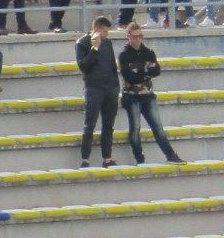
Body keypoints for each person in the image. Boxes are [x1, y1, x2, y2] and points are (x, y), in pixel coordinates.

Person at [118, 22, 183, 165]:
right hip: (131, 97)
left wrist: (140, 71)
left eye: (139, 36)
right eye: (134, 37)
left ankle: (171, 156)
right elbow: (130, 77)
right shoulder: (123, 55)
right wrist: (146, 71)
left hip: (147, 95)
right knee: (135, 129)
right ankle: (140, 160)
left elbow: (157, 71)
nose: (137, 39)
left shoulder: (148, 52)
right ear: (128, 37)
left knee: (158, 127)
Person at [75, 16, 120, 169]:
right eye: (105, 31)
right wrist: (94, 49)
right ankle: (85, 159)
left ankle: (107, 158)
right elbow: (83, 66)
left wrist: (116, 87)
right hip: (93, 88)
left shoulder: (108, 43)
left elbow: (113, 66)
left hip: (110, 89)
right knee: (90, 125)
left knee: (108, 125)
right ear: (97, 29)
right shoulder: (82, 43)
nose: (107, 34)